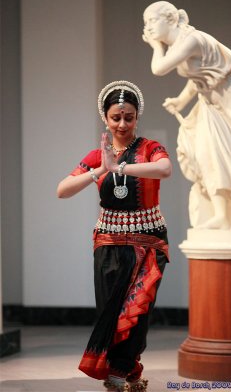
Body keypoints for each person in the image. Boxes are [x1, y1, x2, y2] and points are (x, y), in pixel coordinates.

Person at [57, 80, 172, 392]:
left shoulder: (149, 149)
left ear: (137, 117)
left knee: (139, 309)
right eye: (116, 117)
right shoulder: (97, 154)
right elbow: (62, 191)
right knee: (111, 309)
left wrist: (119, 168)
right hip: (108, 242)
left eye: (129, 117)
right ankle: (128, 370)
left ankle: (118, 372)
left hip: (149, 242)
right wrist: (100, 169)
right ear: (105, 118)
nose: (122, 124)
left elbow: (164, 169)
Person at [143, 1, 231, 230]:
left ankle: (224, 214)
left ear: (170, 19)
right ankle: (223, 215)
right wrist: (181, 100)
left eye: (152, 20)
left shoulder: (191, 40)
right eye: (145, 22)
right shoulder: (183, 42)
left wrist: (156, 46)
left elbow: (158, 68)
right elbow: (198, 78)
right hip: (210, 102)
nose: (148, 27)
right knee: (209, 153)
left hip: (230, 97)